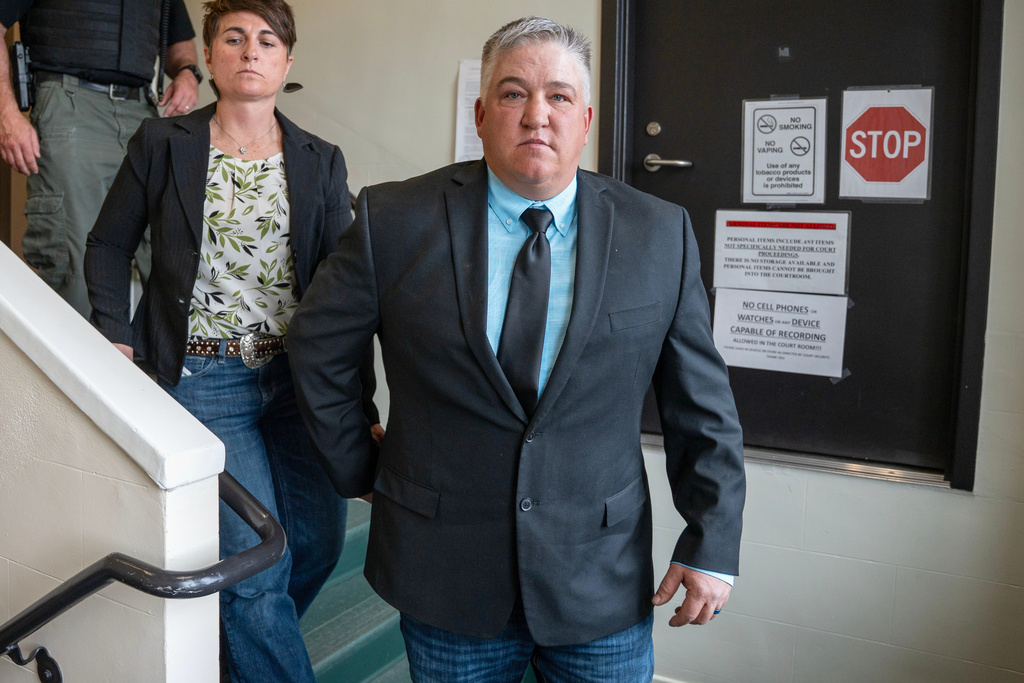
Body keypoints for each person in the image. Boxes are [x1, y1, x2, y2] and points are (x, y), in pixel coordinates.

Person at [288, 15, 746, 683]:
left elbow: (700, 405)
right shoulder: (393, 219)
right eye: (512, 93)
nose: (537, 115)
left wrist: (711, 541)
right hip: (444, 578)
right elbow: (318, 349)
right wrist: (359, 465)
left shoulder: (660, 234)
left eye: (558, 96)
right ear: (480, 113)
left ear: (585, 119)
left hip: (601, 580)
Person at [83, 0, 381, 680]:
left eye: (267, 40)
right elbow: (106, 243)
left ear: (286, 61)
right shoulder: (165, 144)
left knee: (317, 543)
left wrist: (358, 410)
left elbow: (344, 301)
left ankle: (232, 656)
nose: (251, 50)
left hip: (297, 385)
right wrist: (116, 335)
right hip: (202, 380)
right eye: (234, 38)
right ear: (211, 57)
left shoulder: (320, 160)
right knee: (254, 565)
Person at [0, 0, 202, 318]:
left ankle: (160, 367)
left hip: (144, 112)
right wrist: (7, 113)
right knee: (75, 265)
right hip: (70, 105)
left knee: (170, 259)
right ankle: (71, 365)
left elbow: (180, 42)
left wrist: (188, 73)